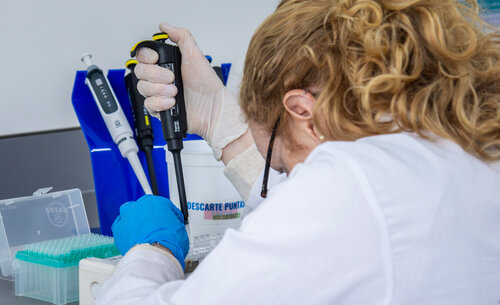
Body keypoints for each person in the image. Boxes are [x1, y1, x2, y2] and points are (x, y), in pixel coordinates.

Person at [97, 0, 500, 304]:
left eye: (282, 165)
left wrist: (152, 251)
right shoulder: (465, 147)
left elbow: (329, 205)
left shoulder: (347, 187)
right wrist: (224, 126)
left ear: (303, 111)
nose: (286, 180)